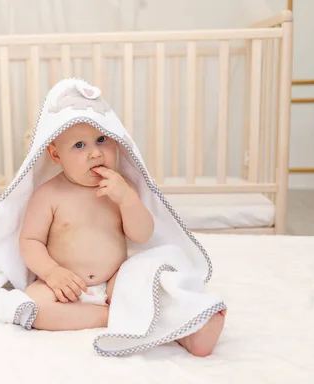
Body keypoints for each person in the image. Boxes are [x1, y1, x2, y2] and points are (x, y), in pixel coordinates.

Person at [18, 121, 226, 357]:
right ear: (56, 155)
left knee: (154, 288)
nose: (95, 152)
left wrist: (127, 200)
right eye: (79, 145)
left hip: (115, 282)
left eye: (102, 140)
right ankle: (112, 317)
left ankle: (191, 333)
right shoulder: (48, 195)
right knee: (32, 306)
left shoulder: (121, 188)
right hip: (67, 287)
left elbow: (141, 234)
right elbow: (30, 241)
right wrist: (51, 272)